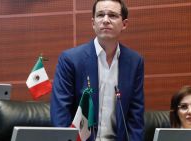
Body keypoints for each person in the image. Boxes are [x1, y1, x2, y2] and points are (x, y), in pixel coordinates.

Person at [50, 0, 145, 141]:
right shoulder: (70, 60)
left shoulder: (134, 61)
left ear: (124, 24)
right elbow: (60, 113)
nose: (105, 20)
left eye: (112, 15)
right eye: (100, 15)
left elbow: (135, 116)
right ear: (93, 23)